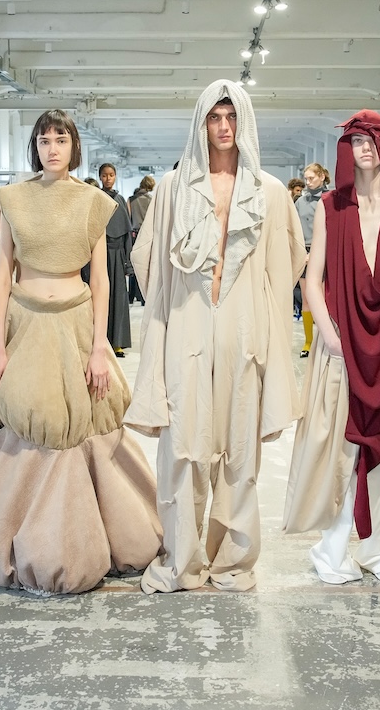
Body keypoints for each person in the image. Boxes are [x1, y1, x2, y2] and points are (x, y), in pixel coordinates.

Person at [0, 109, 161, 595]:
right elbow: (3, 272)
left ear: (73, 147)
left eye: (60, 139)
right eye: (43, 140)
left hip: (75, 321)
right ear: (34, 147)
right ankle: (18, 537)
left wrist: (99, 344)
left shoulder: (92, 202)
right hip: (25, 322)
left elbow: (101, 278)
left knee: (82, 425)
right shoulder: (13, 199)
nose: (51, 148)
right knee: (29, 422)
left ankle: (77, 541)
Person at [125, 80, 306, 593]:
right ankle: (181, 559)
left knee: (240, 448)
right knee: (183, 444)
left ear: (244, 122)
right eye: (214, 117)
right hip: (185, 322)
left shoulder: (269, 192)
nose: (223, 127)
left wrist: (265, 328)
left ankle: (232, 562)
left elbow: (284, 265)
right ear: (201, 122)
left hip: (244, 327)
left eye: (232, 117)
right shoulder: (172, 189)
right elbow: (151, 263)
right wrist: (163, 324)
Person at [283, 111, 380, 585]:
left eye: (373, 140)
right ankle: (331, 549)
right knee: (338, 451)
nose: (365, 148)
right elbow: (313, 277)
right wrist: (327, 333)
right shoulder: (331, 207)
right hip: (341, 346)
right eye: (356, 141)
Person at [96, 162, 133, 356]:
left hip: (118, 256)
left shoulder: (120, 199)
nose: (108, 178)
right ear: (100, 177)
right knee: (102, 297)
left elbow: (127, 233)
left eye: (111, 175)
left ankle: (117, 342)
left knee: (119, 297)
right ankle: (103, 341)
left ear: (115, 176)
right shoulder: (97, 198)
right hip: (101, 254)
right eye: (104, 175)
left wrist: (128, 262)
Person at [294, 163, 331, 356]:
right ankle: (308, 342)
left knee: (323, 298)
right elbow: (295, 227)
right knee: (307, 298)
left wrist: (317, 252)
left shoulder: (329, 199)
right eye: (306, 178)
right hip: (304, 251)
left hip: (324, 250)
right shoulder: (300, 201)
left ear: (322, 177)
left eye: (311, 178)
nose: (308, 182)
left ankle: (325, 337)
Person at [127, 174, 156, 305]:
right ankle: (144, 297)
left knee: (134, 265)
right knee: (146, 266)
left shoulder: (131, 200)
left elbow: (128, 218)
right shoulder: (151, 199)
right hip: (148, 235)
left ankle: (131, 295)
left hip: (133, 234)